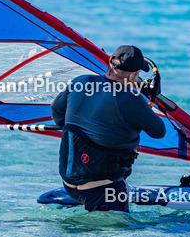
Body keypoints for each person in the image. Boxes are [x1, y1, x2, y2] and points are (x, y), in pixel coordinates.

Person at [50, 45, 166, 212]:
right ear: (133, 75)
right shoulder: (131, 99)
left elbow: (56, 108)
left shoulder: (80, 82)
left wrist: (70, 126)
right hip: (105, 191)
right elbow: (159, 132)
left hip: (69, 184)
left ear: (110, 63)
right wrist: (144, 99)